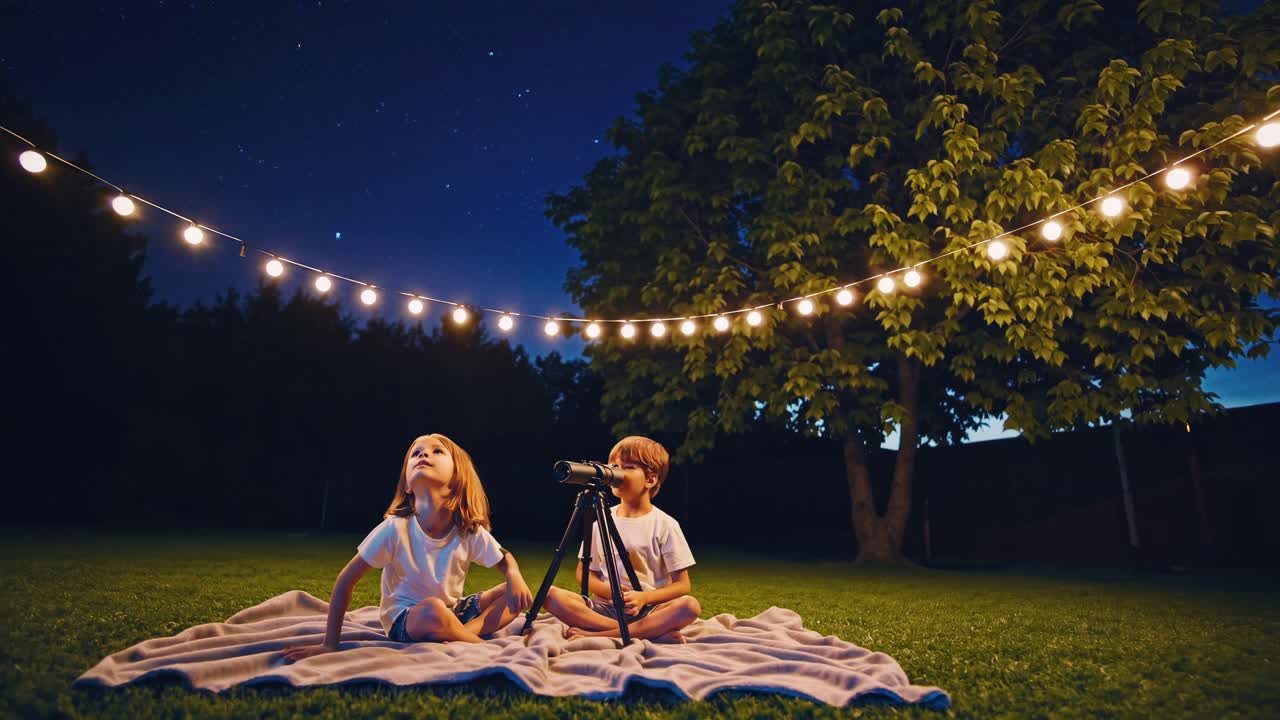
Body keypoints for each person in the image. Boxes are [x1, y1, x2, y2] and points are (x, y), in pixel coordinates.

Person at [283, 433, 532, 661]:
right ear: (407, 486)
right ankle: (477, 645)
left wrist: (513, 575)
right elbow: (345, 581)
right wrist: (330, 644)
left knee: (511, 591)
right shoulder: (395, 530)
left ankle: (459, 632)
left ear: (458, 478)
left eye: (437, 451)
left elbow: (504, 558)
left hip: (452, 611)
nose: (423, 454)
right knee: (434, 610)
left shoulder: (467, 530)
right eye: (416, 453)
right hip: (407, 620)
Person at [543, 435, 700, 642]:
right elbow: (585, 573)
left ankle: (606, 634)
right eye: (614, 465)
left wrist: (644, 597)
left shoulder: (665, 524)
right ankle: (641, 632)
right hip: (606, 606)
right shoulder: (601, 520)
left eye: (627, 467)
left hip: (649, 608)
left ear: (650, 479)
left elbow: (682, 585)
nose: (617, 473)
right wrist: (610, 592)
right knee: (549, 595)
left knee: (689, 606)